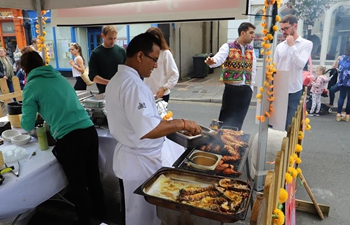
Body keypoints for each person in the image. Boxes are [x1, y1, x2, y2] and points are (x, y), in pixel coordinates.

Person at [105, 32, 201, 225]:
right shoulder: (133, 85)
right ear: (140, 56)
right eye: (154, 60)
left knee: (138, 213)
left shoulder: (117, 79)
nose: (156, 65)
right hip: (139, 162)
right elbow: (149, 129)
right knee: (143, 216)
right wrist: (182, 123)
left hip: (134, 156)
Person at [20, 51, 105, 225]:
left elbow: (27, 124)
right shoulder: (59, 77)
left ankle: (84, 221)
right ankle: (101, 213)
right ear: (42, 62)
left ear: (24, 69)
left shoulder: (31, 86)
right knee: (93, 176)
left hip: (70, 138)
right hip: (89, 130)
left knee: (78, 184)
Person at [204, 22, 257, 130]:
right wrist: (212, 62)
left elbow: (253, 69)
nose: (253, 36)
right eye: (251, 33)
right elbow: (218, 59)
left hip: (246, 90)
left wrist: (250, 87)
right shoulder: (228, 46)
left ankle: (234, 142)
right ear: (243, 33)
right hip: (232, 89)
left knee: (239, 120)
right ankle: (221, 142)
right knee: (225, 119)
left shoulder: (251, 49)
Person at [274, 14, 313, 131]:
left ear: (295, 26)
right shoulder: (280, 46)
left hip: (294, 89)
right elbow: (274, 67)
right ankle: (277, 146)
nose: (283, 32)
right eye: (282, 29)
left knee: (289, 123)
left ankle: (287, 147)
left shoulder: (306, 44)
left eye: (286, 28)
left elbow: (300, 64)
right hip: (280, 89)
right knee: (277, 122)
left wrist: (292, 45)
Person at [144, 27, 179, 102]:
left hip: (160, 95)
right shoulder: (144, 53)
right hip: (146, 94)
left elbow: (174, 74)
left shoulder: (165, 53)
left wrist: (164, 88)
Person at [88, 25, 127, 93]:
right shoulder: (96, 53)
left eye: (115, 38)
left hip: (122, 90)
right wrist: (110, 82)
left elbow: (127, 70)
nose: (113, 41)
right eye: (110, 38)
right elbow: (93, 76)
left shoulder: (122, 51)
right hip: (105, 92)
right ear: (103, 36)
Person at [336, 43, 350, 122]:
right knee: (349, 99)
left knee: (341, 97)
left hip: (342, 80)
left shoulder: (342, 58)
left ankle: (338, 114)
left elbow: (339, 68)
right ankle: (347, 115)